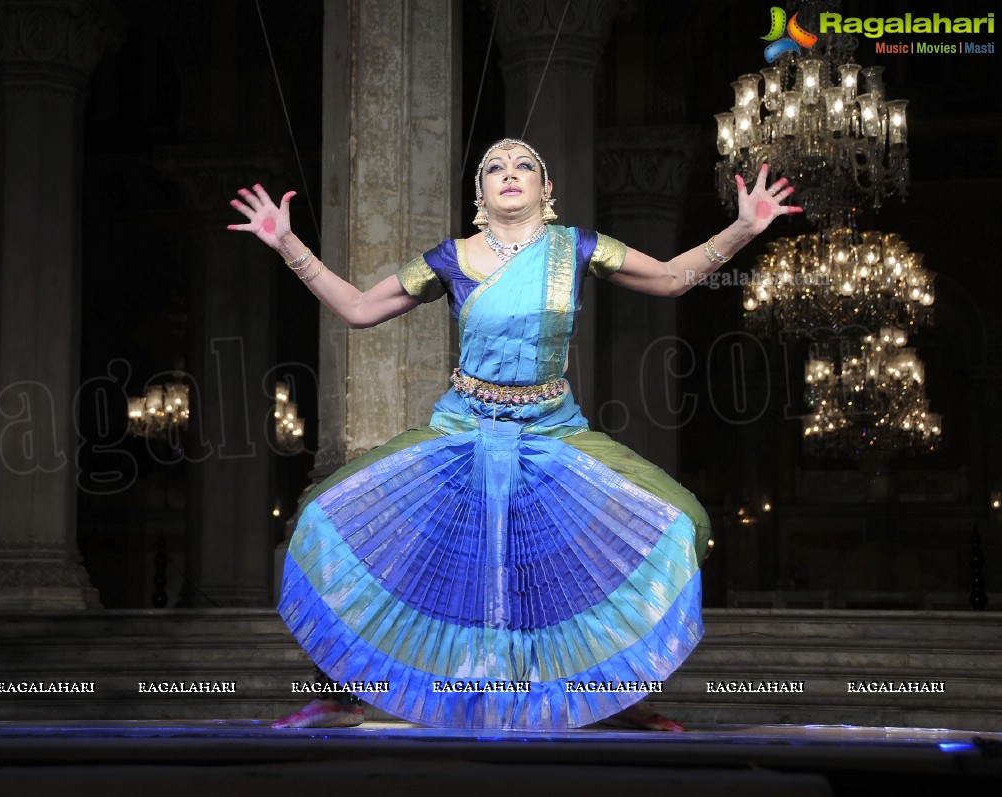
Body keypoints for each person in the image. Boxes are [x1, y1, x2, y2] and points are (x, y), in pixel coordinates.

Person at [228, 138, 800, 731]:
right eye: (494, 167)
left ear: (546, 190)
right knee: (324, 515)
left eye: (524, 165)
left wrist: (745, 228)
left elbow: (673, 278)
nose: (509, 172)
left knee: (680, 520)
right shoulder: (450, 258)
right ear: (479, 195)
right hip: (462, 430)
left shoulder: (576, 247)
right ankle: (342, 698)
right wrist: (286, 242)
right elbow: (356, 308)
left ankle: (615, 699)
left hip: (551, 430)